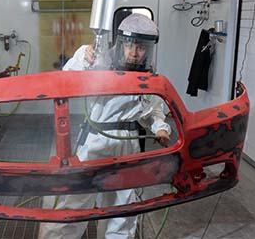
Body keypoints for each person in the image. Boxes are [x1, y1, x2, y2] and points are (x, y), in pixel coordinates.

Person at [38, 13, 171, 239]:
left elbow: (152, 109)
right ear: (121, 42)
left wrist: (160, 128)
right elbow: (66, 78)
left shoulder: (148, 77)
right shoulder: (99, 62)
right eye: (130, 44)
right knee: (76, 199)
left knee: (123, 207)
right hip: (95, 140)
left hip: (128, 144)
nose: (135, 52)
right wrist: (84, 57)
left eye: (141, 47)